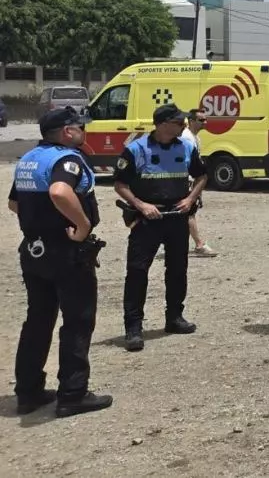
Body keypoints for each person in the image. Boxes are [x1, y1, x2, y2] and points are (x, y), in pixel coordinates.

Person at [8, 107, 113, 417]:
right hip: (66, 252)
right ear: (68, 131)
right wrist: (82, 225)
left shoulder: (29, 159)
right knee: (78, 321)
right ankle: (73, 394)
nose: (84, 131)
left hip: (34, 250)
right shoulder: (67, 159)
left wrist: (41, 221)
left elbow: (14, 204)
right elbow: (59, 191)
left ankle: (28, 392)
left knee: (38, 320)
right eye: (81, 127)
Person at [115, 103, 207, 351]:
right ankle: (133, 328)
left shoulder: (186, 146)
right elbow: (120, 184)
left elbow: (202, 176)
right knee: (137, 272)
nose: (184, 125)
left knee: (177, 270)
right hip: (147, 219)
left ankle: (174, 317)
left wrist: (190, 199)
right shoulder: (136, 149)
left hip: (176, 218)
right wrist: (141, 204)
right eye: (179, 122)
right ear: (164, 124)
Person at [181, 109, 216, 256]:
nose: (205, 122)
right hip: (186, 180)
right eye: (201, 120)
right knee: (188, 212)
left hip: (191, 179)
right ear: (191, 121)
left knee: (185, 213)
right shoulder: (186, 138)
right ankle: (199, 245)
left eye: (205, 119)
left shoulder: (195, 138)